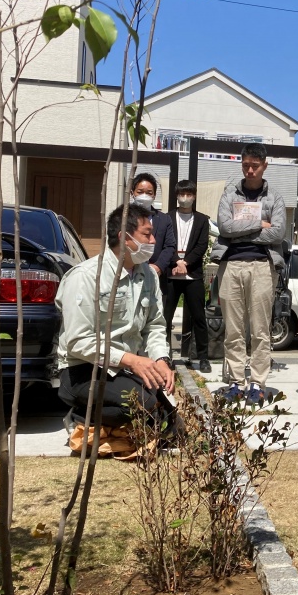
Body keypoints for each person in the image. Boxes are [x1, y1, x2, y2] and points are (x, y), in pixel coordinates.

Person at [57, 203, 175, 427]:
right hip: (83, 369)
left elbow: (155, 325)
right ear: (124, 237)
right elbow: (78, 341)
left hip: (124, 369)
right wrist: (132, 360)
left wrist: (161, 360)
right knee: (144, 406)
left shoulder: (148, 275)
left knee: (169, 418)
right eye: (147, 235)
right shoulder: (85, 277)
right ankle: (79, 418)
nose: (153, 241)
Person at [215, 143, 286, 404]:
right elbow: (224, 227)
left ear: (265, 165)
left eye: (255, 166)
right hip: (230, 265)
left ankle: (257, 382)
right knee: (233, 329)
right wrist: (258, 224)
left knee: (260, 329)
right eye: (246, 165)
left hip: (262, 266)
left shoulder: (275, 197)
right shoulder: (229, 194)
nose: (250, 170)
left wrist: (240, 230)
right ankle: (235, 381)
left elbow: (277, 233)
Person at [164, 179, 211, 374]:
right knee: (165, 318)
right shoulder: (167, 218)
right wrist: (176, 261)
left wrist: (186, 263)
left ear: (194, 196)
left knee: (199, 317)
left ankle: (203, 357)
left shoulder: (202, 220)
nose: (185, 198)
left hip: (193, 275)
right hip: (171, 274)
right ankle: (165, 356)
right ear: (177, 196)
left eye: (189, 194)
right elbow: (165, 243)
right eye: (182, 194)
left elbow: (202, 246)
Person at [131, 173, 175, 299]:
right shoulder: (123, 216)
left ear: (154, 195)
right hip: (129, 273)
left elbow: (170, 246)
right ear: (132, 193)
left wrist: (158, 266)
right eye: (140, 192)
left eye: (149, 193)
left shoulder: (164, 219)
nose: (144, 195)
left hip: (157, 277)